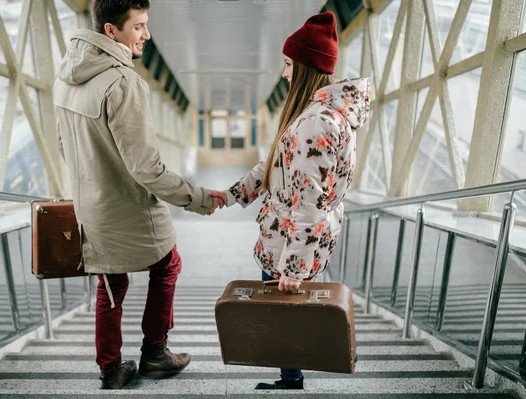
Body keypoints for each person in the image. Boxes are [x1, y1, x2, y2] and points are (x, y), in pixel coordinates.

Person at [53, 0, 225, 390]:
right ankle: (155, 353)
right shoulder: (123, 83)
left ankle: (111, 369)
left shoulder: (64, 77)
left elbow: (64, 146)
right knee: (168, 265)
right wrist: (197, 199)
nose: (146, 35)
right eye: (139, 27)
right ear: (111, 31)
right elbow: (146, 169)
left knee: (111, 285)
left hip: (91, 208)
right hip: (128, 209)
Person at [212, 11, 371, 390]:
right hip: (291, 241)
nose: (284, 74)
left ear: (304, 67)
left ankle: (290, 380)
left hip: (288, 244)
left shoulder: (316, 123)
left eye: (288, 65)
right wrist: (231, 196)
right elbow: (274, 165)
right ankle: (290, 375)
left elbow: (308, 205)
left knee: (284, 316)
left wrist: (293, 269)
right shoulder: (317, 115)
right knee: (286, 316)